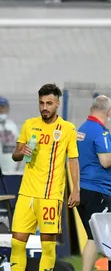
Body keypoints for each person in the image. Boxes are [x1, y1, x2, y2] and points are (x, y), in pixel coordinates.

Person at [10, 83, 80, 271]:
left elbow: (73, 160)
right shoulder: (29, 125)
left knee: (47, 246)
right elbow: (16, 154)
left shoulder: (67, 129)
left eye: (49, 103)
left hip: (50, 195)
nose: (44, 108)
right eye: (41, 103)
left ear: (57, 103)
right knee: (17, 242)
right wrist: (20, 151)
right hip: (27, 193)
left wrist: (75, 189)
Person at [76, 95, 111, 271]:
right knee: (101, 238)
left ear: (91, 109)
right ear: (109, 112)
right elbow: (106, 161)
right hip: (98, 191)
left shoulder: (81, 129)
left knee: (95, 237)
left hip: (83, 189)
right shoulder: (101, 132)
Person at [0, 96, 19, 172]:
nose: (1, 110)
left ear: (7, 109)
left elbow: (19, 146)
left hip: (11, 168)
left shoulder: (12, 125)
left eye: (3, 107)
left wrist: (17, 164)